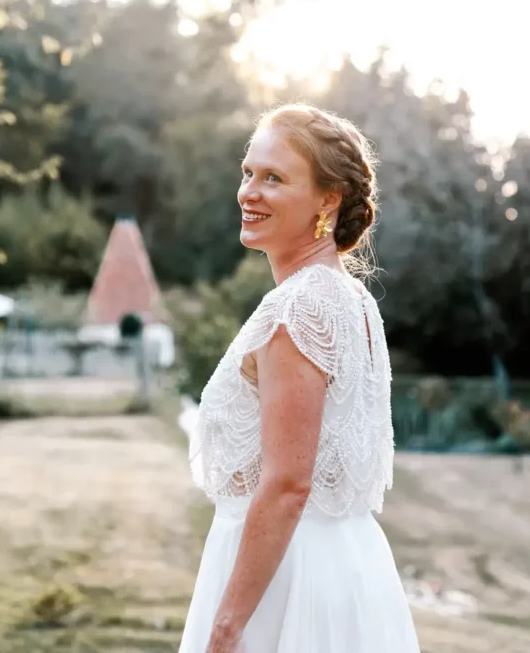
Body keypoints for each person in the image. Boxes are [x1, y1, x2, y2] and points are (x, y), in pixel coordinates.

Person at [178, 103, 421, 653]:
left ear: (328, 198)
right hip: (347, 564)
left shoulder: (301, 308)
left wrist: (226, 626)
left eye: (274, 178)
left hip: (287, 585)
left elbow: (289, 484)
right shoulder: (350, 300)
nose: (249, 192)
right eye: (248, 173)